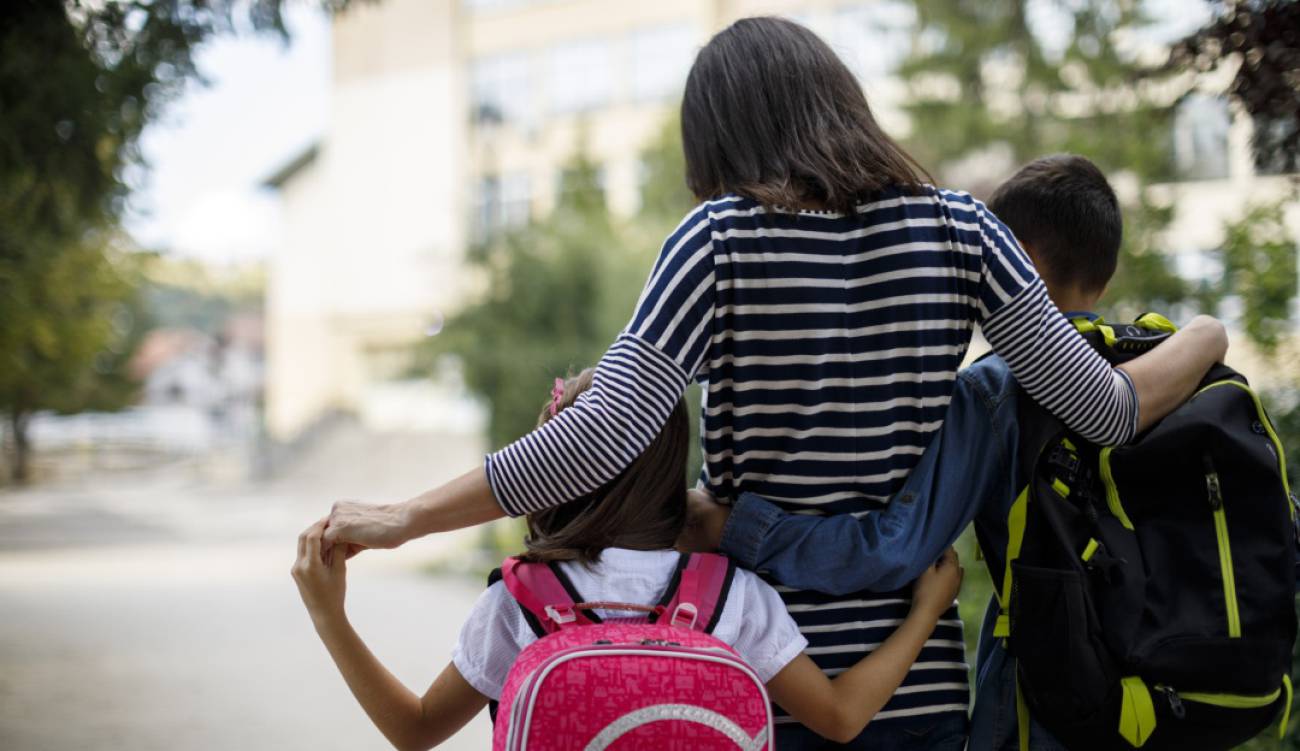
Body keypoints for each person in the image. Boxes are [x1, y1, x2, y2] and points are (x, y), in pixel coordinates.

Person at [321, 18, 1227, 747]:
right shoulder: (963, 230)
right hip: (917, 681)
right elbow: (1109, 411)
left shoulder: (717, 240)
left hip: (754, 673)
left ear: (720, 139)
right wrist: (1207, 333)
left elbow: (601, 434)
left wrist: (405, 517)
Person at [681, 154, 1203, 750]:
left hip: (1049, 700)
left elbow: (891, 546)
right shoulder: (1172, 369)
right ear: (1104, 273)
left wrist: (728, 526)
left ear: (1019, 262)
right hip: (1171, 693)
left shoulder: (997, 394)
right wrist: (1209, 332)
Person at [292, 370, 965, 750]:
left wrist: (330, 616)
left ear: (550, 469)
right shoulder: (730, 593)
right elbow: (842, 716)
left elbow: (413, 731)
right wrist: (925, 612)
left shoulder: (520, 599)